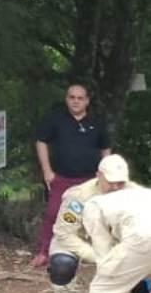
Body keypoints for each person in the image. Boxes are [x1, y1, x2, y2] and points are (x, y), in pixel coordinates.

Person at [45, 154, 138, 293]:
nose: (116, 187)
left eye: (120, 183)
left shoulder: (134, 194)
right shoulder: (79, 196)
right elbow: (64, 233)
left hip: (113, 240)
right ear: (99, 176)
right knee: (61, 264)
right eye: (111, 182)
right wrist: (96, 256)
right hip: (78, 239)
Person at [31, 84, 111, 268]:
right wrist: (47, 172)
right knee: (53, 214)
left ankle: (96, 253)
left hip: (91, 180)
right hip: (62, 178)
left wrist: (104, 174)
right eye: (72, 97)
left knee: (94, 216)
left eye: (80, 98)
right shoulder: (55, 120)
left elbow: (105, 148)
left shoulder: (96, 122)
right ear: (67, 99)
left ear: (87, 101)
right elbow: (41, 141)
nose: (75, 101)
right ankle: (44, 252)